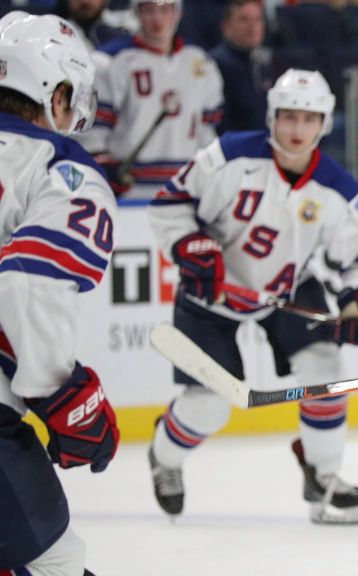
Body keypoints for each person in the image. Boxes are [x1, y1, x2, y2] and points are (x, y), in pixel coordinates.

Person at [147, 68, 358, 525]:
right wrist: (189, 246)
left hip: (285, 290)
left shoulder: (338, 190)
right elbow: (171, 204)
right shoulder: (227, 157)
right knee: (210, 406)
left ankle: (322, 476)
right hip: (211, 292)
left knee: (326, 369)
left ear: (324, 123)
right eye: (288, 117)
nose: (297, 130)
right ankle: (165, 455)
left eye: (308, 118)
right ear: (271, 117)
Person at [0, 12, 120, 576]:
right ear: (57, 91)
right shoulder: (59, 167)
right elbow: (28, 276)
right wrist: (62, 396)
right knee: (54, 561)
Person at [80, 0, 224, 198]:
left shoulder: (201, 63)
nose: (158, 19)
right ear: (136, 13)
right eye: (149, 10)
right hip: (129, 191)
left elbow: (206, 131)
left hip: (183, 189)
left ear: (177, 14)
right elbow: (92, 130)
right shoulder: (110, 61)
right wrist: (102, 167)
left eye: (165, 9)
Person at [210, 0, 273, 133]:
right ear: (226, 27)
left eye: (258, 20)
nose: (252, 27)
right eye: (244, 20)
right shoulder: (216, 64)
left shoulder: (262, 62)